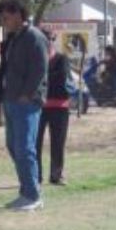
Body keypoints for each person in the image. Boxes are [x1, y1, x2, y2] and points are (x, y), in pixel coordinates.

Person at [0, 0, 48, 212]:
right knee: (13, 145)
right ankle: (26, 191)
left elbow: (39, 68)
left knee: (25, 148)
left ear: (18, 14)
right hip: (11, 99)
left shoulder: (34, 37)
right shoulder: (14, 38)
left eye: (6, 17)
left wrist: (27, 94)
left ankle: (32, 195)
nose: (4, 21)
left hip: (27, 102)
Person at [36, 29, 71, 186]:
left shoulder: (62, 59)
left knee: (58, 143)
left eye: (50, 39)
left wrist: (44, 79)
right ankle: (36, 176)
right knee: (35, 143)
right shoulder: (35, 60)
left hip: (60, 107)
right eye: (45, 39)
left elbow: (61, 80)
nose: (47, 42)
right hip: (38, 107)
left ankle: (57, 175)